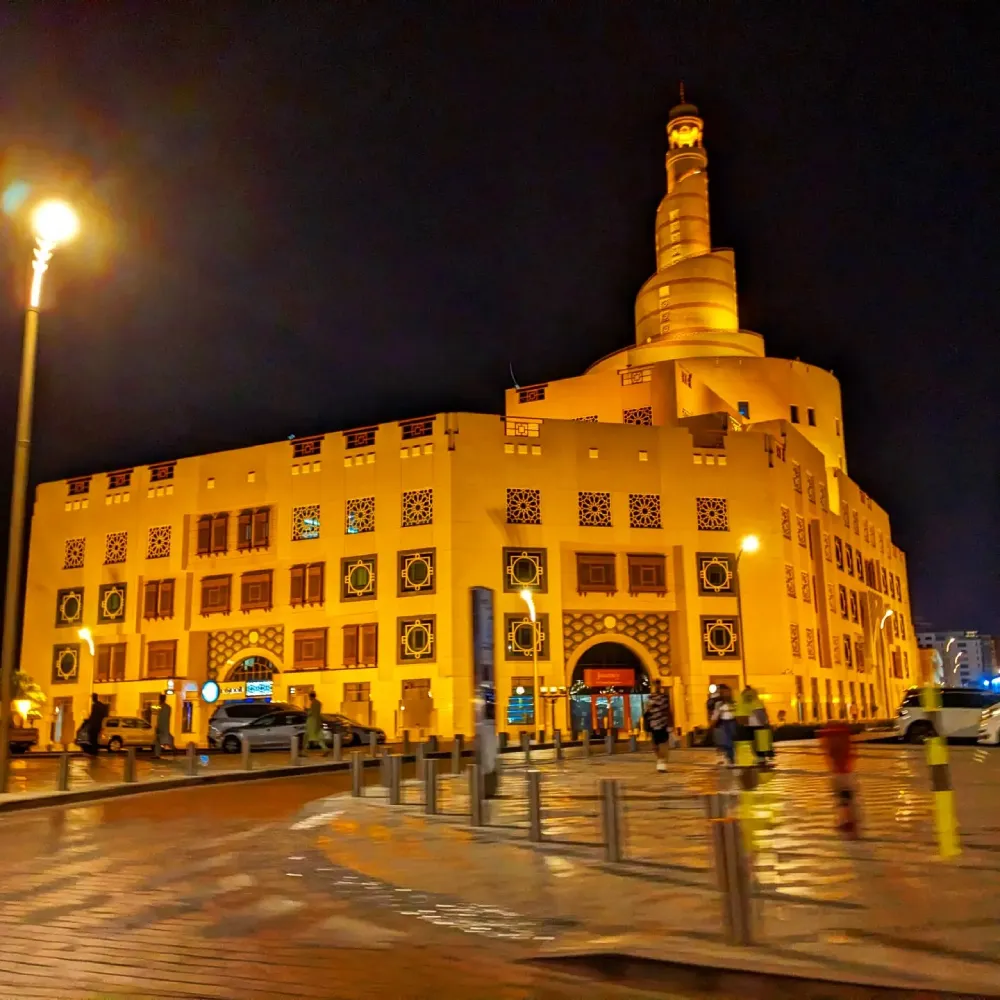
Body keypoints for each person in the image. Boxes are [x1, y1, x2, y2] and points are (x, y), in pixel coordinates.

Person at [644, 680, 674, 772]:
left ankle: (662, 762)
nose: (656, 687)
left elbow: (668, 711)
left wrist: (670, 724)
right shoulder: (650, 699)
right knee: (655, 746)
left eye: (657, 685)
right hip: (653, 725)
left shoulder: (664, 698)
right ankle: (661, 760)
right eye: (655, 685)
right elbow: (646, 712)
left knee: (663, 744)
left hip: (663, 724)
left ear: (659, 686)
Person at [710, 684, 735, 765]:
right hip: (723, 724)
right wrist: (713, 723)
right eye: (724, 692)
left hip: (732, 723)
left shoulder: (733, 703)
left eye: (727, 692)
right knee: (726, 743)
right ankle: (729, 759)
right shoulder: (719, 704)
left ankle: (731, 758)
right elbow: (715, 715)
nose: (726, 694)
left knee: (731, 743)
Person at [154, 692, 175, 758]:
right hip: (163, 728)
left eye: (160, 698)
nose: (159, 700)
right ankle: (157, 754)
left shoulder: (164, 708)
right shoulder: (165, 707)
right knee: (159, 741)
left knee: (163, 740)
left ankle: (173, 750)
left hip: (163, 728)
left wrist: (158, 727)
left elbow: (162, 719)